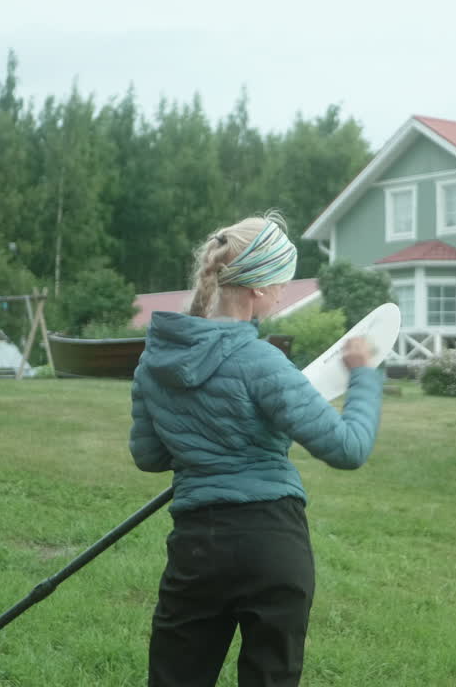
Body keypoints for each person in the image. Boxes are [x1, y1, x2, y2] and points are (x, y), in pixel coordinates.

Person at [128, 213, 383, 687]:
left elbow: (149, 456)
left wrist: (198, 436)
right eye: (281, 284)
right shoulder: (261, 360)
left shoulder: (153, 362)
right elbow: (349, 447)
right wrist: (364, 374)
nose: (283, 294)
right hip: (272, 542)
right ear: (258, 290)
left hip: (197, 547)